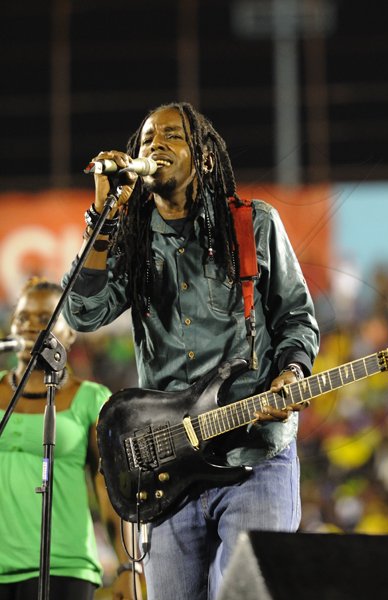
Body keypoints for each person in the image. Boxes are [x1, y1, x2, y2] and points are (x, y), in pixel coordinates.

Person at [62, 102, 320, 600]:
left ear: (202, 158)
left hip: (253, 452)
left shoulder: (253, 224)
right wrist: (104, 214)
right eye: (146, 139)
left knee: (248, 593)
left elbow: (296, 318)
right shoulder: (129, 238)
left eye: (171, 136)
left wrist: (290, 374)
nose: (154, 145)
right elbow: (81, 314)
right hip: (167, 467)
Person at [0, 278, 142, 600]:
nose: (30, 327)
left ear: (70, 333)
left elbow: (111, 494)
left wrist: (128, 567)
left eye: (45, 318)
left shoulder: (91, 398)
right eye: (23, 318)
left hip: (65, 568)